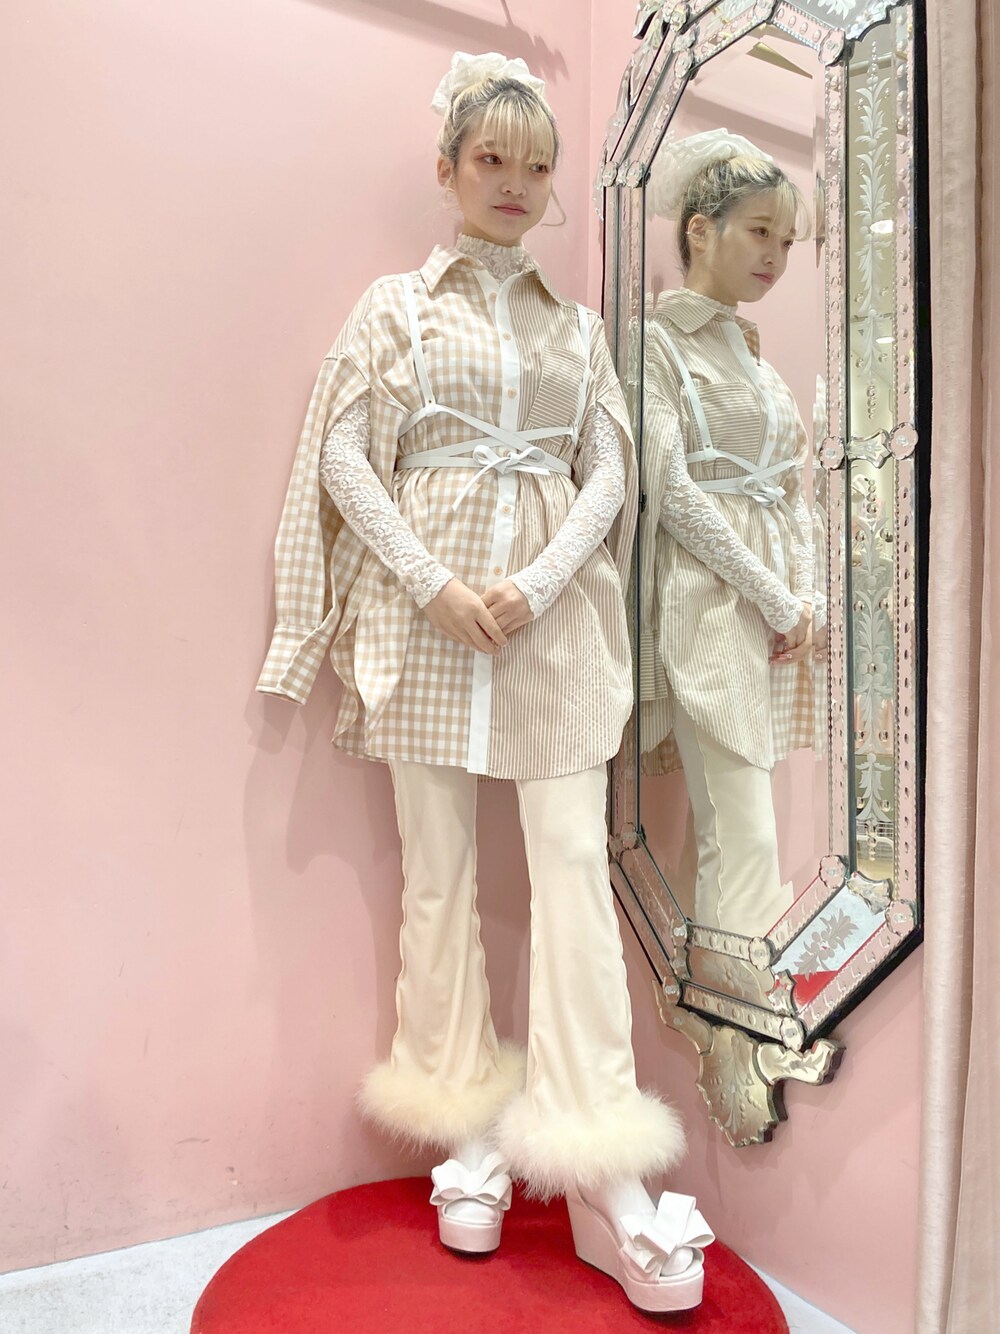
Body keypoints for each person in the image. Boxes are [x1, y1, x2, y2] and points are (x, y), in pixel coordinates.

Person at [257, 52, 712, 1314]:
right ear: (447, 167)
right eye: (490, 158)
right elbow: (344, 455)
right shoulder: (393, 310)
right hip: (423, 631)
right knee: (438, 871)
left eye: (535, 163)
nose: (514, 182)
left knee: (569, 869)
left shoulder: (577, 329)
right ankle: (464, 1121)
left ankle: (596, 1148)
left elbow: (608, 469)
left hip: (552, 636)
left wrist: (544, 578)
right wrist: (428, 583)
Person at [640, 129, 816, 941]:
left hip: (772, 615)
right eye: (759, 230)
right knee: (741, 833)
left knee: (741, 828)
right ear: (700, 230)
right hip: (708, 604)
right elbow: (671, 491)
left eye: (787, 240)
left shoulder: (760, 365)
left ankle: (727, 986)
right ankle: (745, 997)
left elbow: (793, 487)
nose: (775, 254)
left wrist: (804, 599)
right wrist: (776, 596)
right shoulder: (655, 344)